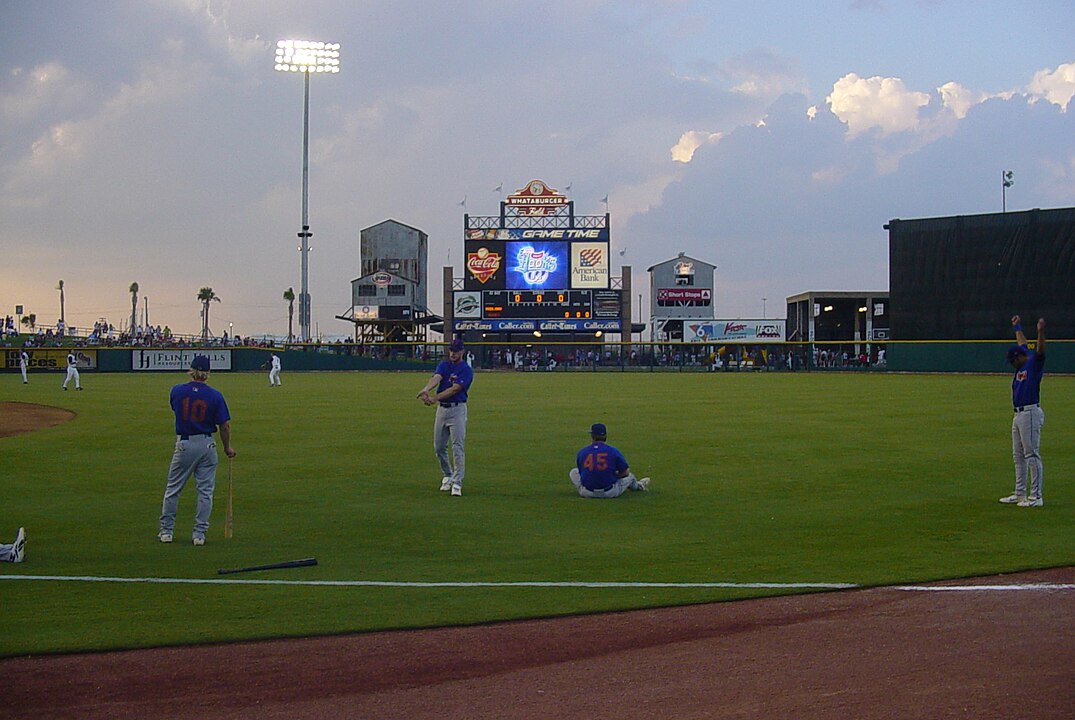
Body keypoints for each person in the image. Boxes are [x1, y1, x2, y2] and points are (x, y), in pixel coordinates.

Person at [158, 355, 236, 545]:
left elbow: (176, 409)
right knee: (205, 492)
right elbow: (224, 426)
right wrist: (227, 447)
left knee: (173, 489)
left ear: (191, 370)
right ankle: (199, 534)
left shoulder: (177, 390)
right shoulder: (215, 395)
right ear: (208, 372)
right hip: (207, 445)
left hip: (184, 444)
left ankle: (166, 532)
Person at [417, 338, 473, 496]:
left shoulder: (466, 369)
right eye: (451, 350)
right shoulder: (444, 364)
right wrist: (426, 389)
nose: (453, 353)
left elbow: (455, 389)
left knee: (457, 447)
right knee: (439, 446)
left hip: (457, 410)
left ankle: (457, 482)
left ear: (462, 351)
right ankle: (447, 475)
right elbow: (437, 377)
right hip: (442, 411)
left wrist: (435, 398)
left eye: (456, 351)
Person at [1000, 315, 1046, 508]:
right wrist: (1017, 325)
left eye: (1013, 361)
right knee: (1017, 455)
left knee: (1031, 454)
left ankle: (1036, 496)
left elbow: (1040, 350)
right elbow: (1022, 342)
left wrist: (1041, 332)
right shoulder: (1022, 360)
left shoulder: (1033, 364)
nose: (1012, 364)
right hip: (1018, 415)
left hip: (1030, 413)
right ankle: (1019, 493)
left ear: (1019, 358)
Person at [570, 423, 650, 498]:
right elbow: (626, 472)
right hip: (609, 492)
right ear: (605, 436)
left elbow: (582, 473)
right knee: (631, 476)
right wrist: (614, 476)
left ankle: (586, 489)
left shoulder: (582, 451)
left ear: (592, 436)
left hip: (587, 492)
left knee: (573, 472)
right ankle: (639, 486)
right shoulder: (612, 451)